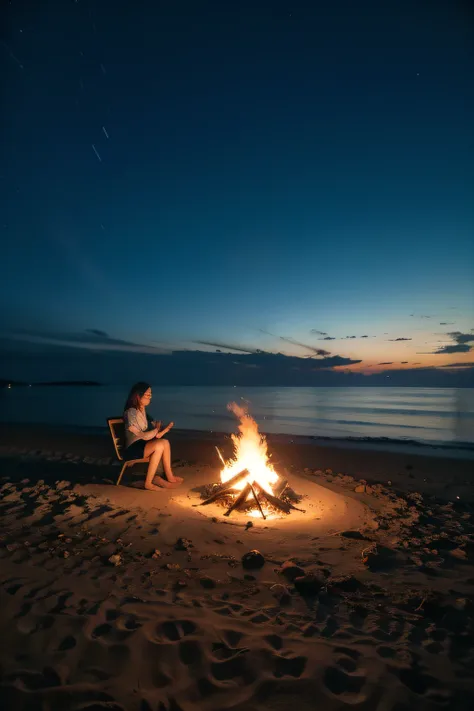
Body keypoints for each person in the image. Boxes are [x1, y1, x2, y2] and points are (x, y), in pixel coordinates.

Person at [123, 382, 183, 491]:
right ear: (138, 395)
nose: (150, 396)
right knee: (160, 445)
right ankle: (148, 483)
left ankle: (170, 476)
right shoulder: (131, 412)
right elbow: (142, 435)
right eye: (147, 394)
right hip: (133, 449)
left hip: (141, 445)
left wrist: (159, 429)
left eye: (150, 394)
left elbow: (149, 434)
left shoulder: (142, 411)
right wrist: (156, 430)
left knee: (165, 442)